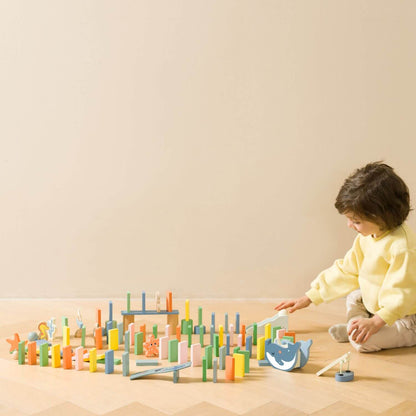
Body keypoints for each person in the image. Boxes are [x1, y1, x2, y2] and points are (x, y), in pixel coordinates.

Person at [275, 162, 416, 352]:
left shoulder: (402, 248)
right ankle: (357, 327)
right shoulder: (366, 237)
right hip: (377, 307)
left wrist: (376, 322)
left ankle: (362, 331)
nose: (349, 225)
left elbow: (401, 294)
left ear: (381, 216)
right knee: (354, 296)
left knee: (362, 344)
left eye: (356, 221)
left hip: (404, 315)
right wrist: (309, 297)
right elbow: (347, 270)